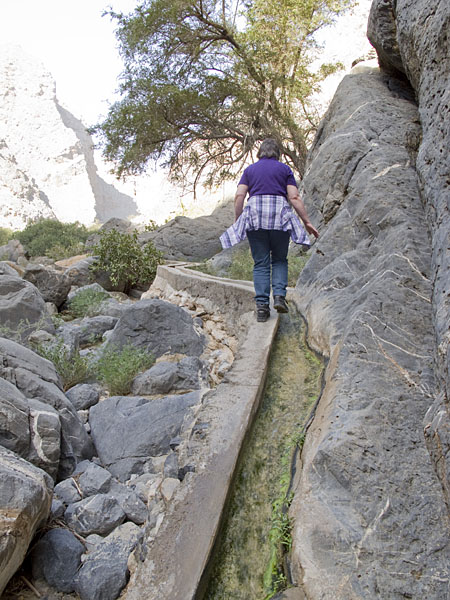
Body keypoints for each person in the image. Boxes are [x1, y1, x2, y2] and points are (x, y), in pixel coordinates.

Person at [220, 138, 319, 322]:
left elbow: (239, 195)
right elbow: (295, 197)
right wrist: (306, 222)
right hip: (280, 216)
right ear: (278, 153)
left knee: (261, 263)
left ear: (260, 153)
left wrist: (238, 219)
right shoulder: (284, 169)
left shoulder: (250, 170)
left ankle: (262, 308)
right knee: (280, 259)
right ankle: (280, 297)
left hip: (255, 217)